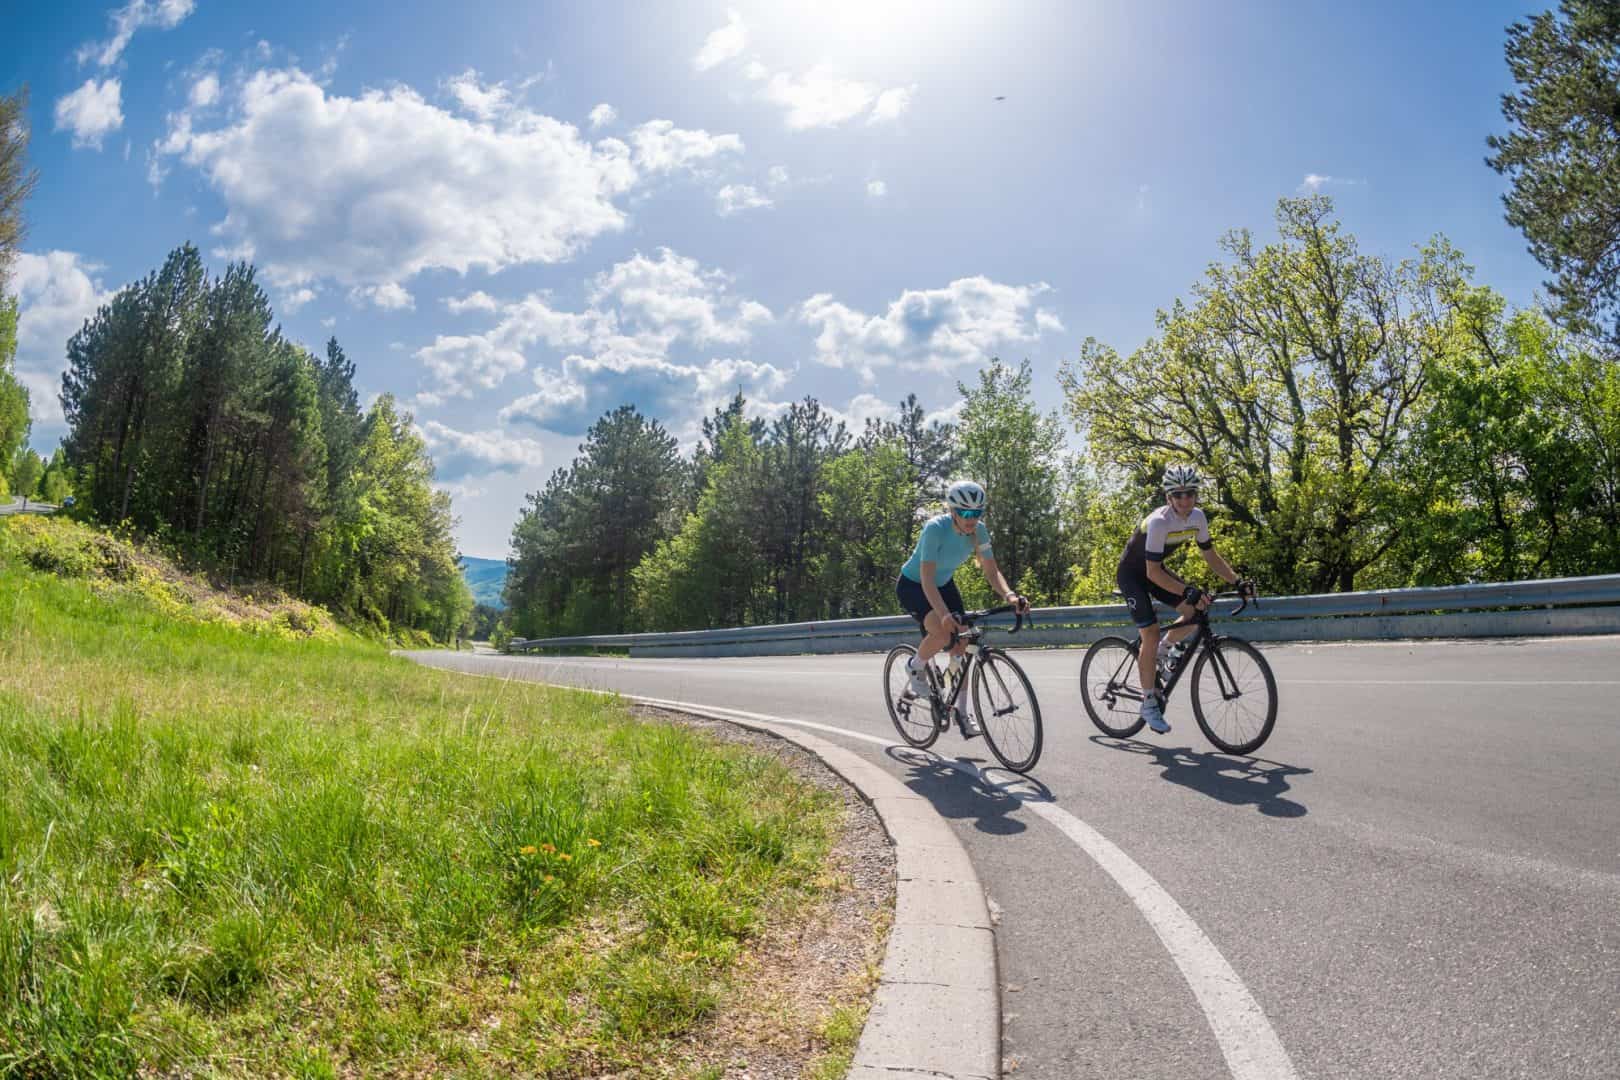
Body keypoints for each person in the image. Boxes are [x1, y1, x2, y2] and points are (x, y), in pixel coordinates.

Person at [1115, 464, 1245, 734]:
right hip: (1132, 574)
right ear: (1169, 498)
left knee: (1197, 611)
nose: (1185, 500)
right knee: (1149, 632)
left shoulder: (1198, 517)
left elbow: (1210, 556)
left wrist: (1237, 581)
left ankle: (1163, 650)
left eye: (1190, 494)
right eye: (1179, 494)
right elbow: (1150, 571)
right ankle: (1148, 702)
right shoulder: (1160, 521)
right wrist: (1185, 590)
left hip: (1155, 571)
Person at [896, 479, 1031, 737]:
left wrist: (1010, 596)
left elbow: (991, 571)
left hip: (944, 584)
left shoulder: (979, 532)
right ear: (953, 511)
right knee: (943, 631)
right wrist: (945, 615)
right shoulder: (935, 529)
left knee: (963, 644)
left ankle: (960, 711)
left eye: (977, 513)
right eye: (966, 513)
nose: (972, 519)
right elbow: (926, 579)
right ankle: (915, 665)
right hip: (914, 585)